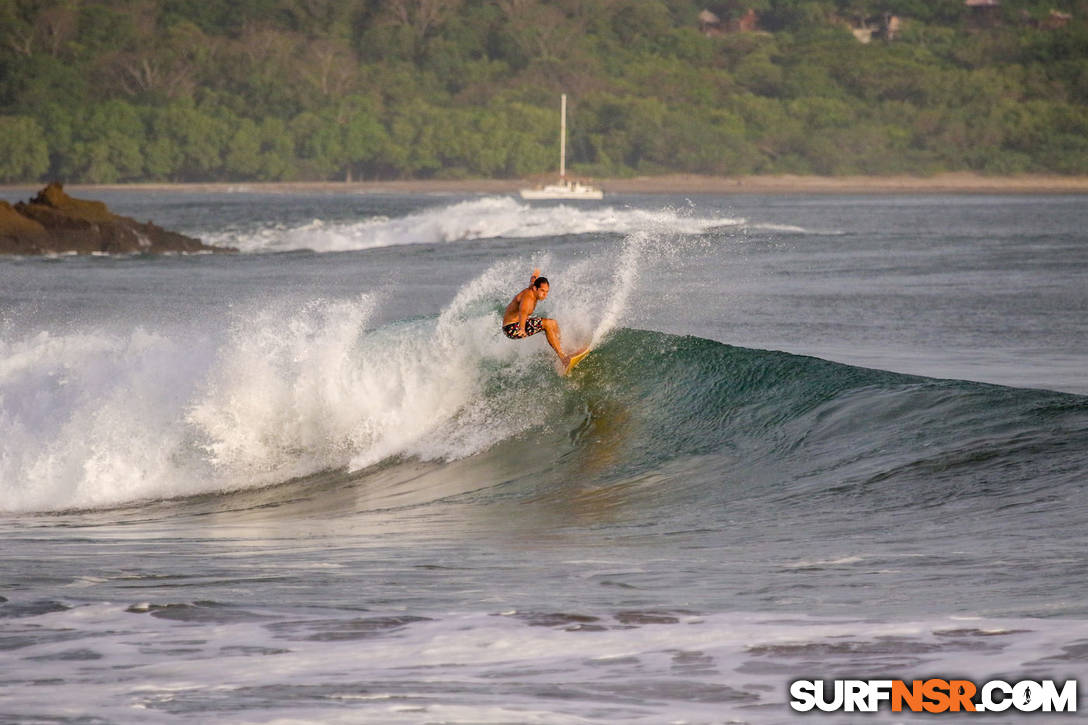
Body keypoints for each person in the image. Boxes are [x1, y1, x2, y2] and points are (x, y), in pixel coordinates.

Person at [502, 268, 579, 366]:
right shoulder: (528, 298)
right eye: (542, 291)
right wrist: (522, 329)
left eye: (547, 291)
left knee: (553, 323)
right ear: (535, 289)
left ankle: (562, 348)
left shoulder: (533, 286)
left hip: (517, 323)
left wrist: (535, 274)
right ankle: (563, 358)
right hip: (512, 328)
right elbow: (523, 312)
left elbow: (533, 280)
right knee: (547, 324)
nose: (545, 294)